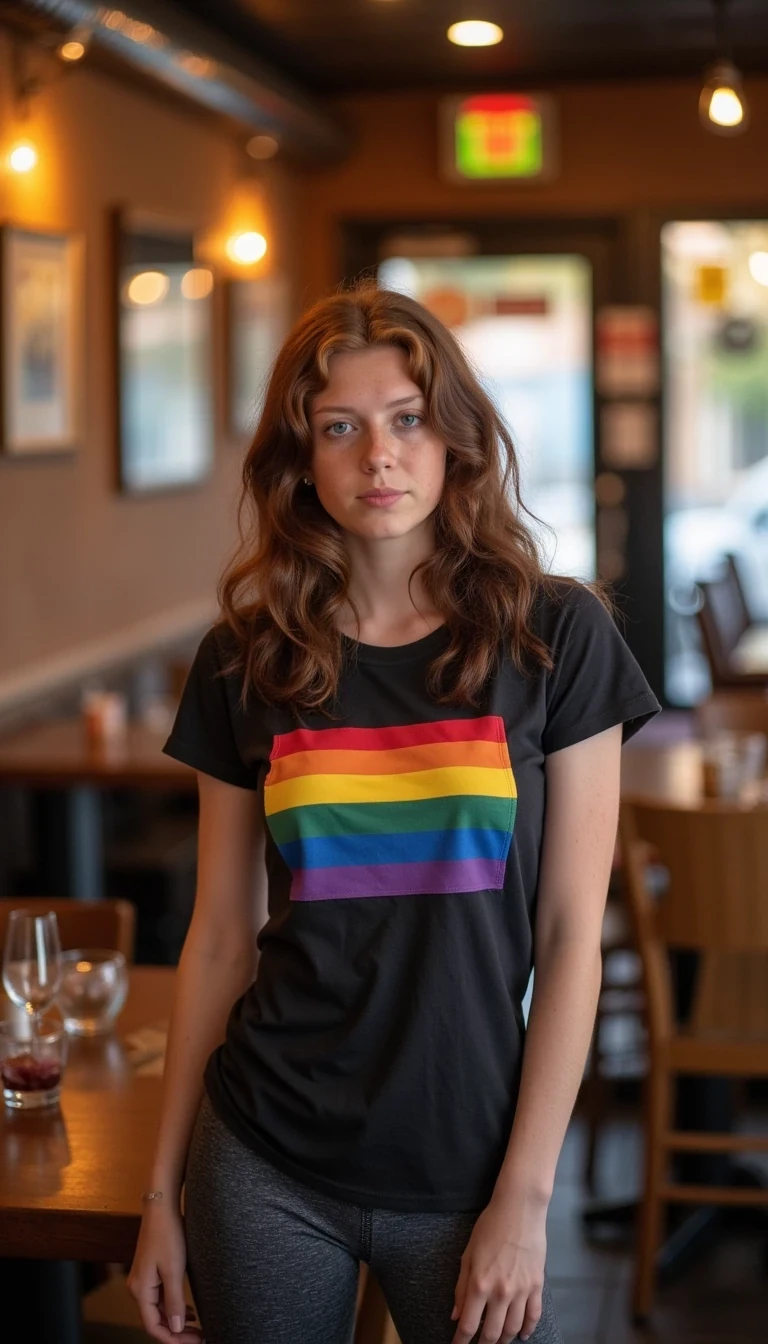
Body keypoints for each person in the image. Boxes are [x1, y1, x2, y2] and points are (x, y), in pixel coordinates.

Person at [128, 284, 661, 1344]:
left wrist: (525, 1196)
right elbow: (223, 938)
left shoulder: (555, 637)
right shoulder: (246, 658)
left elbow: (568, 942)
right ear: (302, 460)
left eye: (407, 419)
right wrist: (161, 1198)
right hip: (265, 1157)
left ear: (454, 437)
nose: (379, 455)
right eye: (340, 427)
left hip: (468, 1165)